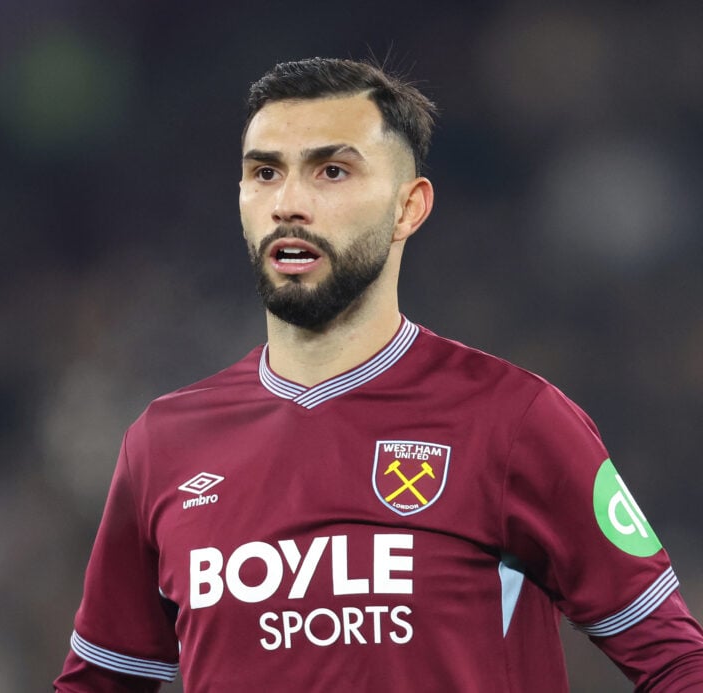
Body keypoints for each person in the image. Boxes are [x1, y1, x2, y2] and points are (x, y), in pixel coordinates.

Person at [54, 57, 703, 691]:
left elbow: (676, 663)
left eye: (331, 171)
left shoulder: (515, 421)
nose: (290, 202)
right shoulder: (163, 443)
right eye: (266, 173)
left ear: (408, 208)